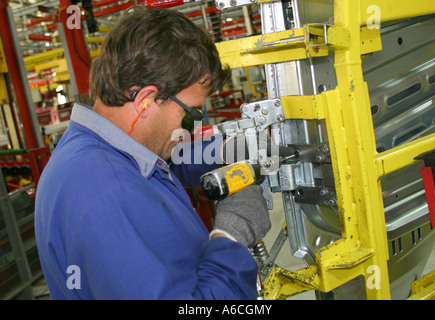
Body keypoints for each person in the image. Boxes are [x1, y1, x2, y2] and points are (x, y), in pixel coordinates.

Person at [34, 6, 271, 300]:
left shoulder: (98, 149)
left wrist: (225, 150)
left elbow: (165, 163)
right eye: (190, 114)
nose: (193, 126)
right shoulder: (108, 192)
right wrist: (231, 238)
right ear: (145, 101)